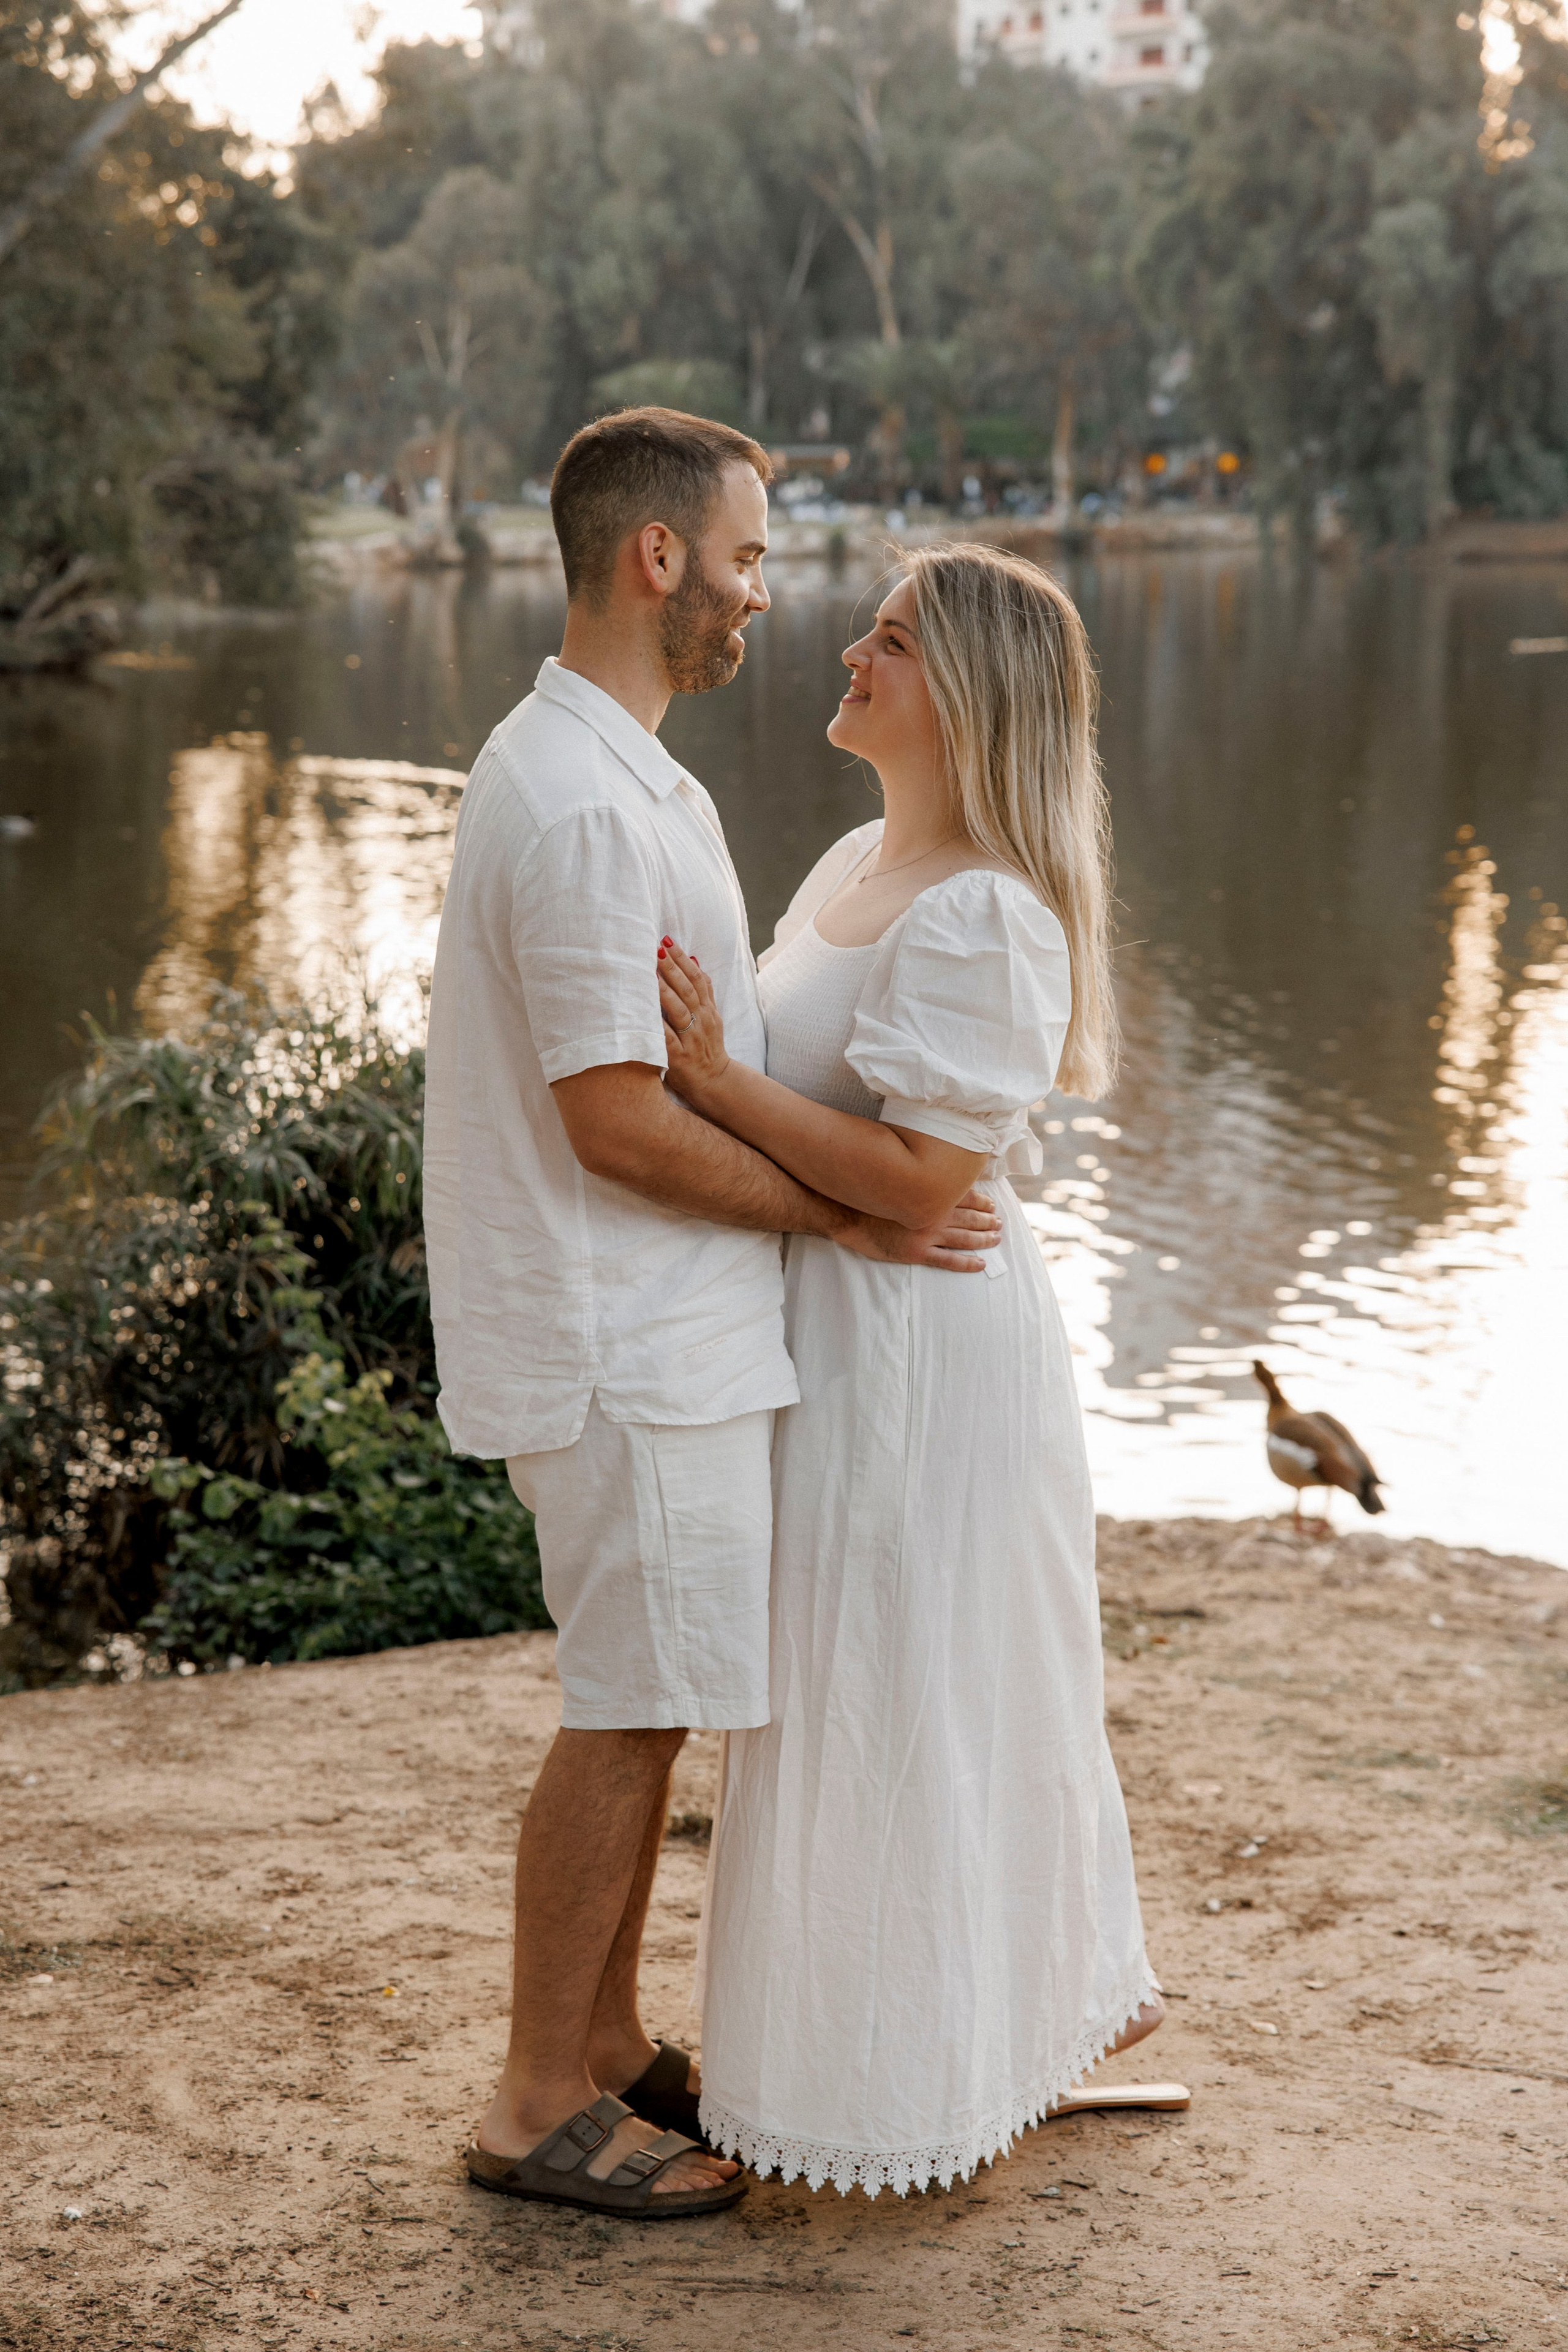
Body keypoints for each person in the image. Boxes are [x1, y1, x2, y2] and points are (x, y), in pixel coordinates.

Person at [422, 410, 1001, 2218]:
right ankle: (534, 2101)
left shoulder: (619, 772)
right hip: (625, 1343)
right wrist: (848, 1215)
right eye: (747, 555)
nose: (766, 591)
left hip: (659, 1337)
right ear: (658, 557)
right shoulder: (586, 802)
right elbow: (611, 1124)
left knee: (655, 1696)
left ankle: (601, 2050)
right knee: (623, 1710)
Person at [657, 543, 1171, 2198]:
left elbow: (921, 1183)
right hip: (836, 1327)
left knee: (911, 1682)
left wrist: (713, 1081)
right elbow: (863, 1157)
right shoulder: (850, 861)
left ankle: (927, 2066)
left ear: (965, 699)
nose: (851, 654)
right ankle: (909, 2037)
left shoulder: (989, 918)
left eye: (889, 640)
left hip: (925, 1355)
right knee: (846, 1679)